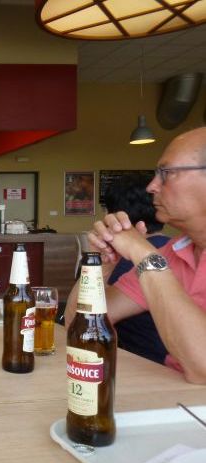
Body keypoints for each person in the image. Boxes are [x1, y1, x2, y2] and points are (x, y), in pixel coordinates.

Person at [65, 126, 206, 384]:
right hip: (176, 397)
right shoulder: (175, 252)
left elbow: (203, 368)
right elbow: (79, 326)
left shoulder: (155, 256)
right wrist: (100, 265)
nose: (152, 186)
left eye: (166, 173)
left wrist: (142, 253)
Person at [103, 176, 170, 364]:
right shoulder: (173, 249)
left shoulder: (130, 261)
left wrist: (100, 266)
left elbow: (82, 322)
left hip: (141, 367)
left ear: (113, 215)